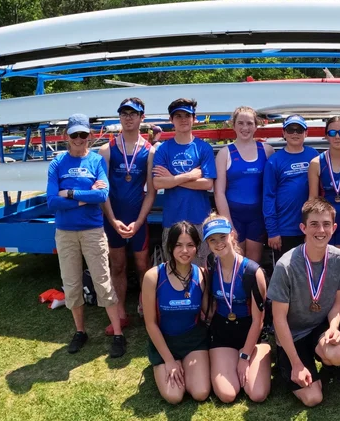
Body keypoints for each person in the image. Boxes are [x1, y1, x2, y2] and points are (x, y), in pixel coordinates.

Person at [46, 114, 126, 358]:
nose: (79, 139)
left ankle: (118, 334)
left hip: (92, 231)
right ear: (66, 136)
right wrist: (84, 197)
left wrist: (70, 194)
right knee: (72, 284)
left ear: (89, 135)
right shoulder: (57, 163)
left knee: (103, 282)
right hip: (66, 233)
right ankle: (80, 331)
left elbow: (102, 195)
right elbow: (52, 202)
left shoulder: (96, 161)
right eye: (74, 135)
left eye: (83, 134)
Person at [269, 198, 340, 407]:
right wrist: (296, 364)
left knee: (338, 354)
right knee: (313, 398)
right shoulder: (285, 266)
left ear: (334, 228)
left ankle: (328, 366)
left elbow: (337, 303)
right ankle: (288, 363)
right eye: (314, 224)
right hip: (292, 336)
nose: (321, 230)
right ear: (303, 228)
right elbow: (279, 319)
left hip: (318, 328)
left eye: (326, 224)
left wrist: (333, 327)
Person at [99, 98, 155, 335]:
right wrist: (113, 220)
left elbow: (151, 192)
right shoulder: (106, 150)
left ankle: (149, 311)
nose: (129, 117)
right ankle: (120, 314)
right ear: (119, 117)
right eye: (124, 113)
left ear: (142, 118)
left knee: (143, 265)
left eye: (133, 113)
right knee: (118, 266)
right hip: (114, 219)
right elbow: (102, 191)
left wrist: (139, 221)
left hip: (137, 219)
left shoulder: (150, 151)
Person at [140, 221, 211, 404]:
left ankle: (187, 365)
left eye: (190, 245)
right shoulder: (153, 276)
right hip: (165, 341)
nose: (184, 251)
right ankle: (166, 364)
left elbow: (208, 313)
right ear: (170, 247)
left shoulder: (202, 274)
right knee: (174, 397)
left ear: (197, 247)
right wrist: (169, 360)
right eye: (179, 245)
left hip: (194, 340)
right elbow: (150, 324)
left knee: (200, 393)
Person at [203, 215, 271, 403]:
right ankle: (226, 361)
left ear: (232, 235)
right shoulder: (210, 264)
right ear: (207, 243)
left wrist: (244, 356)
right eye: (212, 240)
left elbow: (258, 321)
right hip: (222, 333)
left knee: (257, 394)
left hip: (250, 332)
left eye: (222, 237)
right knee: (227, 395)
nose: (218, 243)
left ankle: (254, 357)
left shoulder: (252, 272)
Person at [152, 98, 217, 266]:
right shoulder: (163, 149)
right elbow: (157, 183)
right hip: (172, 220)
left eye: (187, 116)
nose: (183, 120)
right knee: (174, 269)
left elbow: (207, 184)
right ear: (171, 119)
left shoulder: (204, 148)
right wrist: (190, 175)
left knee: (200, 270)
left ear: (194, 118)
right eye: (178, 116)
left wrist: (171, 179)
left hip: (199, 220)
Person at [215, 106, 273, 263]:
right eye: (240, 123)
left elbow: (272, 188)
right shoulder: (225, 153)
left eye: (249, 123)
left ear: (256, 126)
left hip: (258, 216)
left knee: (253, 264)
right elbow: (219, 192)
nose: (245, 128)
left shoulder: (267, 151)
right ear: (233, 125)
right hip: (234, 216)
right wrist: (228, 223)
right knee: (235, 262)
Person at [263, 115, 320, 261]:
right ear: (284, 133)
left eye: (299, 130)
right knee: (285, 270)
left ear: (306, 133)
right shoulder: (274, 161)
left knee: (310, 268)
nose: (295, 133)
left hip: (310, 227)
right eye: (290, 129)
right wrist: (272, 231)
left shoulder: (314, 155)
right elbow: (268, 197)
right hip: (284, 230)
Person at [308, 116, 340, 246]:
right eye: (332, 133)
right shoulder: (316, 163)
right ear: (326, 136)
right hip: (323, 224)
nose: (337, 136)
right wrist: (310, 229)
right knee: (325, 258)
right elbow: (312, 199)